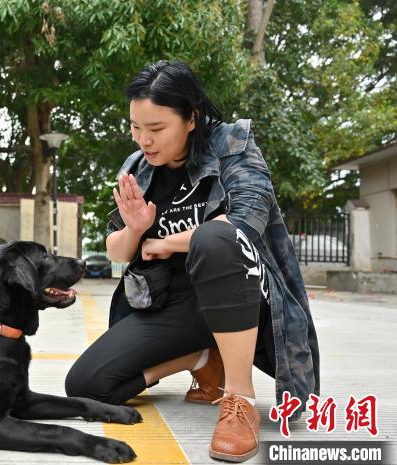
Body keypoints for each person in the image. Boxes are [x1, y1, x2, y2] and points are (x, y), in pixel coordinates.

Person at [65, 60, 320, 462]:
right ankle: (201, 356)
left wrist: (166, 242)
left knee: (217, 237)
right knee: (86, 386)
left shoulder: (231, 144)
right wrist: (135, 230)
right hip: (175, 304)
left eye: (156, 129)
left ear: (191, 118)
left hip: (244, 297)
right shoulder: (136, 167)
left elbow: (244, 224)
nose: (144, 140)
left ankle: (239, 400)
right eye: (136, 127)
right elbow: (118, 250)